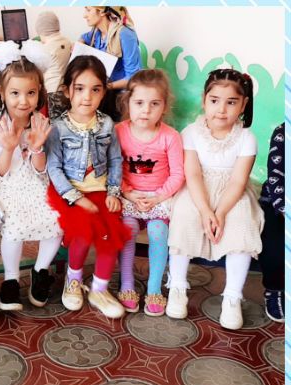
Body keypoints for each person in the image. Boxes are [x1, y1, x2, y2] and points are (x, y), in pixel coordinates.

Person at [167, 68, 264, 330]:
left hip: (231, 193)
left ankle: (232, 296)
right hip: (197, 190)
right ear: (204, 100)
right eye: (214, 101)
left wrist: (219, 212)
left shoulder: (246, 138)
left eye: (231, 102)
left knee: (242, 221)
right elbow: (193, 174)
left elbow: (238, 181)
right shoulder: (191, 132)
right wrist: (205, 210)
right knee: (184, 215)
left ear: (243, 104)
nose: (221, 110)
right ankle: (177, 286)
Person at [46, 56, 130, 318]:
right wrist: (76, 197)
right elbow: (54, 168)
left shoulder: (107, 124)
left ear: (104, 92)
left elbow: (115, 160)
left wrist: (114, 192)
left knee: (110, 233)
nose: (87, 97)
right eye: (80, 88)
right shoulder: (58, 127)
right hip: (68, 192)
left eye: (95, 89)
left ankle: (99, 289)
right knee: (83, 230)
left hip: (101, 191)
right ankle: (73, 279)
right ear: (67, 91)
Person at [114, 70, 184, 314]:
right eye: (139, 103)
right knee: (128, 230)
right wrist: (127, 192)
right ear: (128, 103)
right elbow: (114, 168)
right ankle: (126, 283)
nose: (146, 110)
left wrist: (158, 197)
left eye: (154, 104)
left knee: (158, 232)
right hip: (129, 196)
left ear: (164, 106)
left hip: (159, 198)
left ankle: (154, 288)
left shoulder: (170, 137)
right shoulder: (119, 131)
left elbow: (178, 174)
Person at [81, 7, 141, 106]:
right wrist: (79, 43)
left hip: (123, 97)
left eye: (88, 10)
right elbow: (84, 37)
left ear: (102, 12)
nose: (84, 15)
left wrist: (106, 86)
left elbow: (134, 78)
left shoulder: (125, 34)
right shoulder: (96, 32)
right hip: (106, 92)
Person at [258, 123, 283, 321]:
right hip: (278, 203)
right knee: (274, 245)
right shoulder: (283, 133)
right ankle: (275, 289)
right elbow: (276, 177)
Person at [34, 12, 73, 117]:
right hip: (65, 89)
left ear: (42, 31)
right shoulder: (67, 41)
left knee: (55, 121)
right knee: (65, 118)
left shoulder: (45, 48)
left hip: (53, 90)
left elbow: (38, 69)